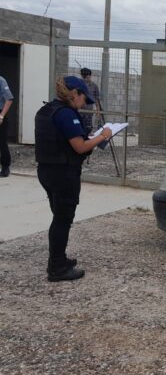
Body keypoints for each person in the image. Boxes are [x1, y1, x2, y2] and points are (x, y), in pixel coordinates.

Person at [35, 76, 112, 282]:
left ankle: (59, 259)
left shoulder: (47, 110)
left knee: (59, 217)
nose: (83, 103)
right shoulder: (67, 114)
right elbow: (80, 147)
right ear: (74, 94)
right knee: (62, 220)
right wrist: (102, 136)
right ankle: (57, 267)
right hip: (63, 173)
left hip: (47, 170)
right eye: (82, 98)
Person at [79, 67, 101, 135]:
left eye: (87, 77)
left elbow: (97, 99)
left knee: (88, 126)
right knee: (80, 125)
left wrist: (98, 109)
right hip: (79, 109)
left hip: (89, 110)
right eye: (84, 77)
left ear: (90, 76)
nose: (86, 79)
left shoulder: (94, 86)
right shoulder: (79, 84)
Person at [0, 74, 13, 177]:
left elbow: (9, 99)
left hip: (0, 113)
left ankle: (5, 167)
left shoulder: (1, 80)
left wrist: (2, 116)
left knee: (2, 142)